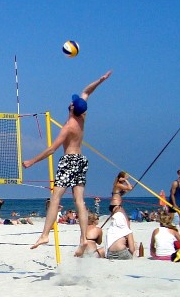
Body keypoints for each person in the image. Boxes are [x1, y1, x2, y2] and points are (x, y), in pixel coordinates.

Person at [22, 70, 112, 253]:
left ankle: (45, 234)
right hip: (81, 160)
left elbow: (51, 149)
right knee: (79, 200)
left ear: (71, 108)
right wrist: (101, 80)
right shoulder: (82, 117)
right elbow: (86, 92)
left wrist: (32, 161)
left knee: (56, 197)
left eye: (72, 102)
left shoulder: (68, 127)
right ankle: (83, 238)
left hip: (69, 160)